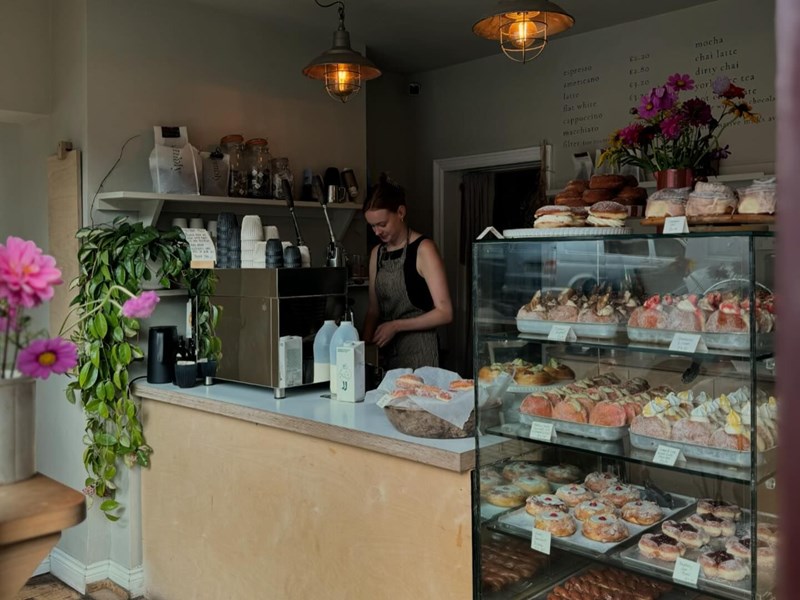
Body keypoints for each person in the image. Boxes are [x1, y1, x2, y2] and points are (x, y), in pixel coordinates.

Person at [362, 174, 453, 370]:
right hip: (385, 353)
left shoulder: (424, 249)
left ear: (401, 212)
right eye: (372, 226)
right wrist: (363, 350)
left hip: (420, 352)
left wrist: (395, 326)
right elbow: (373, 310)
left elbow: (445, 313)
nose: (377, 232)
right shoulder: (376, 254)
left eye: (382, 224)